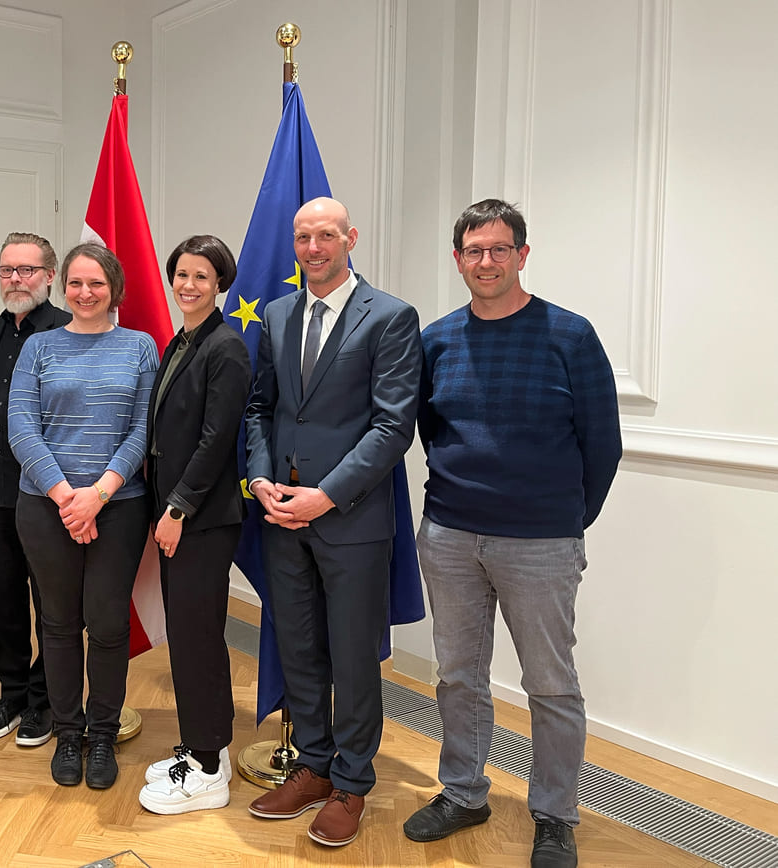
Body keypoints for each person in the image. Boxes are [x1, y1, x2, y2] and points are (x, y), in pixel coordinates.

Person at [403, 199, 621, 868]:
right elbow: (428, 430)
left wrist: (564, 521)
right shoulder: (437, 338)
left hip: (542, 544)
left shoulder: (569, 335)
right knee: (459, 676)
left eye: (500, 249)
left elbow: (602, 443)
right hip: (450, 536)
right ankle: (464, 792)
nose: (487, 262)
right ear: (458, 259)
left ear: (522, 255)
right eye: (475, 251)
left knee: (551, 683)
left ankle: (555, 815)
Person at [244, 197, 423, 847]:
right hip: (280, 515)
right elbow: (261, 408)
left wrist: (327, 495)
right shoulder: (278, 312)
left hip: (350, 519)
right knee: (299, 649)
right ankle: (313, 766)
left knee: (352, 658)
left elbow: (392, 425)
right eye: (302, 237)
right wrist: (261, 478)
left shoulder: (392, 317)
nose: (313, 247)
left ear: (350, 238)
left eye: (326, 235)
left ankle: (352, 783)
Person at [8, 242, 157, 790]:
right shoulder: (39, 346)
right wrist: (66, 495)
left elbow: (144, 429)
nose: (85, 293)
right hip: (46, 508)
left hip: (117, 507)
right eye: (75, 282)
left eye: (96, 283)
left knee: (109, 623)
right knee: (58, 623)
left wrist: (99, 493)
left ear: (114, 287)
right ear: (60, 285)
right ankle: (68, 732)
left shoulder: (141, 347)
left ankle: (102, 735)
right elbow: (20, 427)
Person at [137, 235, 251, 815]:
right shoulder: (181, 342)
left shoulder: (225, 348)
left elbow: (215, 442)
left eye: (201, 276)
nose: (188, 285)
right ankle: (203, 746)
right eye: (181, 274)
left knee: (199, 638)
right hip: (179, 514)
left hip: (201, 519)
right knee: (187, 636)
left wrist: (177, 509)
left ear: (220, 284)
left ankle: (209, 769)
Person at [0, 233, 70, 748]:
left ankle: (47, 698)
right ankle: (11, 691)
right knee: (4, 599)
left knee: (49, 604)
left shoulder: (63, 329)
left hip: (42, 493)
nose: (16, 279)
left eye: (27, 270)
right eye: (7, 270)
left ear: (50, 276)